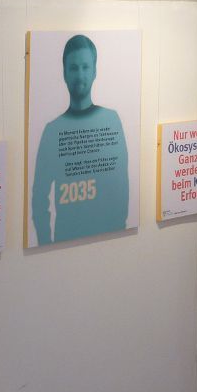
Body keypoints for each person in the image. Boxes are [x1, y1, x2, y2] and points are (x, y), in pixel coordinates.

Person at [31, 34, 129, 245]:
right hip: (66, 240)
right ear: (64, 73)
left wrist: (119, 232)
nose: (80, 75)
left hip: (110, 239)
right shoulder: (52, 131)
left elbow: (121, 186)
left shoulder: (111, 120)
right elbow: (39, 198)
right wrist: (46, 244)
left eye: (85, 67)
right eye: (74, 68)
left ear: (95, 71)